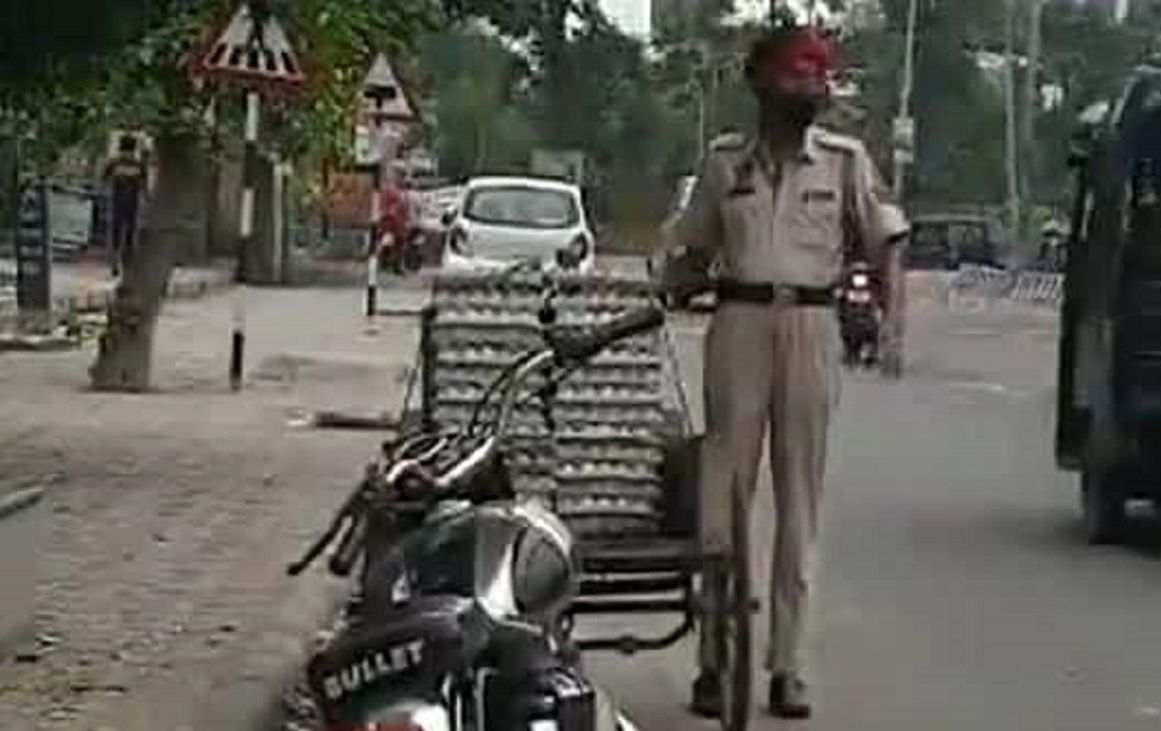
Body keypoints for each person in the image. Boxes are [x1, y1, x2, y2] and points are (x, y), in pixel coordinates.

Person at [661, 21, 909, 720]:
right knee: (722, 496)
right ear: (759, 82)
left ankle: (787, 667)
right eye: (795, 73)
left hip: (811, 323)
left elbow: (887, 239)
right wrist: (670, 282)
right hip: (738, 321)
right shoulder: (723, 164)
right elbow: (691, 249)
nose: (810, 86)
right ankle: (715, 663)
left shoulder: (843, 161)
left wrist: (892, 322)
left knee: (799, 501)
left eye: (817, 75)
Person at [104, 134, 148, 278]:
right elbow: (105, 179)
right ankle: (115, 263)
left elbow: (144, 184)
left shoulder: (136, 165)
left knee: (129, 233)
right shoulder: (118, 163)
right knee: (117, 233)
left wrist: (145, 198)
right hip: (118, 203)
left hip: (131, 204)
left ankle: (125, 262)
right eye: (125, 151)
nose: (126, 154)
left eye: (128, 151)